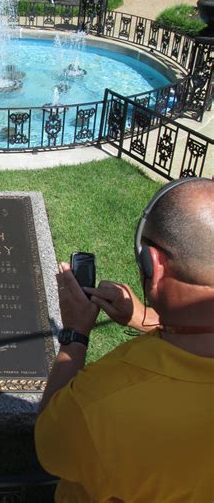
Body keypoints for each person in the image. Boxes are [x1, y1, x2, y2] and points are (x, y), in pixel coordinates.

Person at [35, 177, 214, 502]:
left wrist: (74, 336)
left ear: (154, 265)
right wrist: (144, 317)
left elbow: (49, 442)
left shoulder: (99, 402)